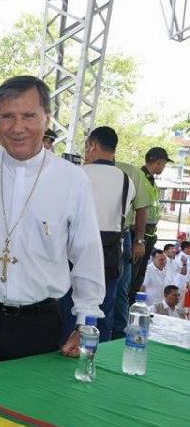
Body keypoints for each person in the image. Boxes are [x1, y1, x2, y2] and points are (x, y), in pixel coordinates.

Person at [0, 75, 105, 367]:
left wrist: (86, 320)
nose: (17, 127)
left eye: (29, 116)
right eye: (7, 116)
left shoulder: (72, 180)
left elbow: (87, 253)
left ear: (46, 118)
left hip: (38, 324)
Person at [74, 126, 135, 342]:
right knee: (104, 312)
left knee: (73, 311)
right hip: (111, 254)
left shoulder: (78, 174)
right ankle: (100, 353)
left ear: (93, 145)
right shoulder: (127, 180)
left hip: (77, 251)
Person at [112, 157, 152, 339]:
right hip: (90, 234)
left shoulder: (131, 172)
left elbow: (141, 207)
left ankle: (118, 335)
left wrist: (139, 241)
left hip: (122, 235)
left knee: (121, 287)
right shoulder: (84, 170)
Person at [129, 147, 172, 300]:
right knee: (132, 276)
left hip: (148, 235)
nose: (164, 167)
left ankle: (131, 305)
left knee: (139, 275)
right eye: (164, 164)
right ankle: (127, 306)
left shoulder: (151, 180)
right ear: (159, 162)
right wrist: (139, 240)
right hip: (139, 235)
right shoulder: (140, 177)